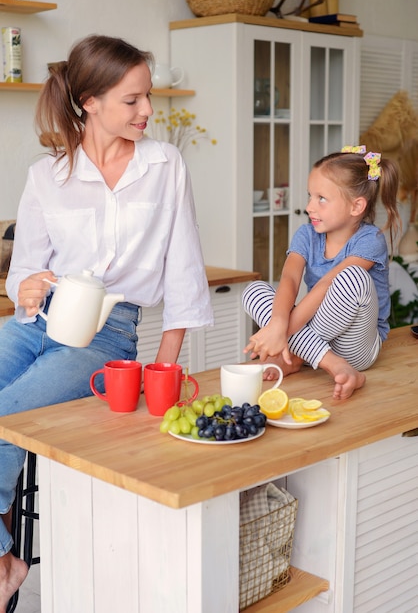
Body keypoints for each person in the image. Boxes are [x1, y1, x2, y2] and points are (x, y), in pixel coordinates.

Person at [0, 34, 213, 609]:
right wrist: (25, 286)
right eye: (132, 100)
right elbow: (23, 273)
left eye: (149, 98)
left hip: (109, 331)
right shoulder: (49, 175)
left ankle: (0, 563)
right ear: (89, 101)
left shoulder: (165, 165)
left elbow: (184, 268)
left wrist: (164, 367)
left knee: (5, 417)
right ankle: (3, 558)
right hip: (37, 320)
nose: (147, 111)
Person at [242, 146, 401, 402]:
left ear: (356, 206)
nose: (309, 207)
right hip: (318, 336)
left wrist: (281, 335)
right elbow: (290, 279)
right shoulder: (306, 234)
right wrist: (278, 324)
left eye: (321, 199)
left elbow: (328, 283)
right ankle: (327, 363)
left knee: (351, 278)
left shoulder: (371, 239)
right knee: (253, 290)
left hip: (356, 345)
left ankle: (297, 355)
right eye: (309, 196)